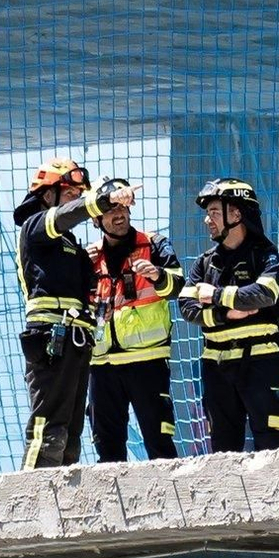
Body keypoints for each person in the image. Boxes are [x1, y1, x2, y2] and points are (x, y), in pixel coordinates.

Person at [13, 158, 138, 469]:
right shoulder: (35, 226)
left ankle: (62, 494)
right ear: (48, 194)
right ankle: (31, 490)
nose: (75, 199)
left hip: (77, 339)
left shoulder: (70, 245)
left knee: (70, 433)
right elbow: (64, 215)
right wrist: (102, 199)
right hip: (51, 337)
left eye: (78, 194)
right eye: (70, 193)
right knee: (48, 427)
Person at [178, 178, 279, 452]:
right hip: (217, 368)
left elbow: (264, 293)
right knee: (222, 449)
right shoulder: (205, 262)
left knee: (272, 443)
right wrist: (226, 314)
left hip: (260, 363)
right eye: (208, 213)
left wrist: (216, 295)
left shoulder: (265, 255)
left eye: (215, 212)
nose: (208, 220)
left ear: (237, 214)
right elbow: (187, 306)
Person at [86, 176, 183, 462]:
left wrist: (158, 275)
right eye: (110, 209)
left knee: (160, 447)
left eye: (122, 208)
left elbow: (179, 285)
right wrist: (82, 271)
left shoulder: (154, 244)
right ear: (96, 219)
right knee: (107, 452)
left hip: (147, 361)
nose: (118, 214)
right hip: (101, 366)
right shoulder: (89, 258)